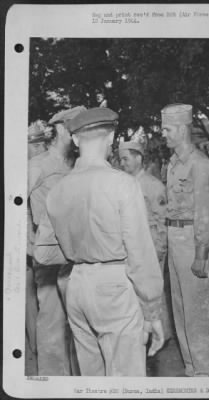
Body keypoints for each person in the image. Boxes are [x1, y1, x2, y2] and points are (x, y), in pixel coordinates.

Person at [34, 107, 164, 376]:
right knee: (126, 383)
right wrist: (152, 312)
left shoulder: (58, 190)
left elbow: (43, 255)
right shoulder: (123, 184)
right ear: (111, 138)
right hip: (115, 287)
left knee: (91, 381)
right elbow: (140, 254)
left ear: (77, 140)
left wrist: (78, 249)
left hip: (77, 286)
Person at [161, 103, 209, 377]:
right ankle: (191, 368)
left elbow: (206, 213)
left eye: (168, 128)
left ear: (183, 129)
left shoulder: (200, 164)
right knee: (180, 308)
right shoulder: (173, 163)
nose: (163, 134)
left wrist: (201, 253)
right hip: (175, 237)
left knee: (197, 312)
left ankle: (206, 373)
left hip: (192, 240)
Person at [28, 106, 85, 375]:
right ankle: (51, 383)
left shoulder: (77, 165)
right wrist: (30, 242)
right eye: (75, 128)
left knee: (79, 323)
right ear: (62, 129)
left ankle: (78, 383)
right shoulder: (38, 165)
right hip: (49, 255)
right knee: (51, 320)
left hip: (77, 254)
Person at [119, 140, 173, 340]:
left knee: (153, 293)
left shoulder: (153, 185)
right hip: (131, 248)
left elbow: (162, 220)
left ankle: (159, 337)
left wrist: (159, 249)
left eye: (126, 158)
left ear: (138, 158)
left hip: (150, 247)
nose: (122, 163)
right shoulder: (122, 184)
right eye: (120, 159)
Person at [26, 121, 49, 369]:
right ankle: (37, 348)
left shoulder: (39, 165)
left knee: (41, 300)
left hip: (41, 244)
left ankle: (40, 349)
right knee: (34, 299)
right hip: (36, 244)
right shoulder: (35, 167)